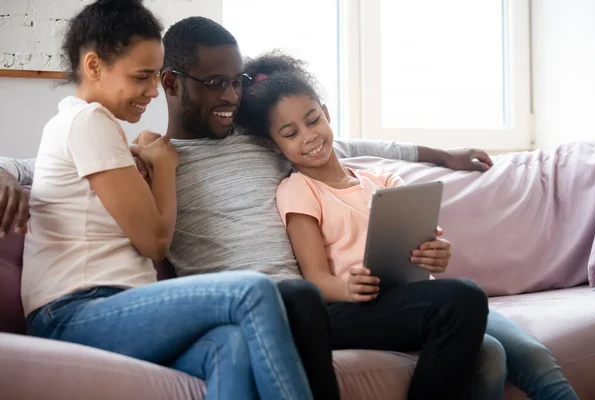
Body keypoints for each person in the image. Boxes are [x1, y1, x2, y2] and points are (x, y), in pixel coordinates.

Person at [0, 16, 495, 400]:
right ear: (170, 84)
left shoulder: (264, 140)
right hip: (269, 304)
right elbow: (44, 169)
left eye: (237, 82)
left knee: (462, 300)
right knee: (296, 294)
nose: (232, 97)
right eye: (216, 83)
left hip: (323, 304)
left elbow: (347, 144)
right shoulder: (146, 158)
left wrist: (441, 155)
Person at [235, 50, 580, 400]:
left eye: (312, 121)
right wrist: (347, 288)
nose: (308, 136)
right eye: (290, 133)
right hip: (357, 307)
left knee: (509, 352)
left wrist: (436, 254)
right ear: (276, 146)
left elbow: (423, 249)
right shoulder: (298, 189)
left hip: (414, 297)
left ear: (326, 114)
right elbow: (316, 278)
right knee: (470, 307)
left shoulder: (382, 180)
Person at [18, 3, 314, 400]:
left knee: (230, 344)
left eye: (155, 77)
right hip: (76, 311)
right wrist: (165, 168)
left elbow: (30, 170)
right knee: (253, 291)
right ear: (93, 66)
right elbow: (155, 241)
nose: (153, 91)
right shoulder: (88, 121)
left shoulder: (92, 130)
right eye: (141, 77)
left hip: (116, 306)